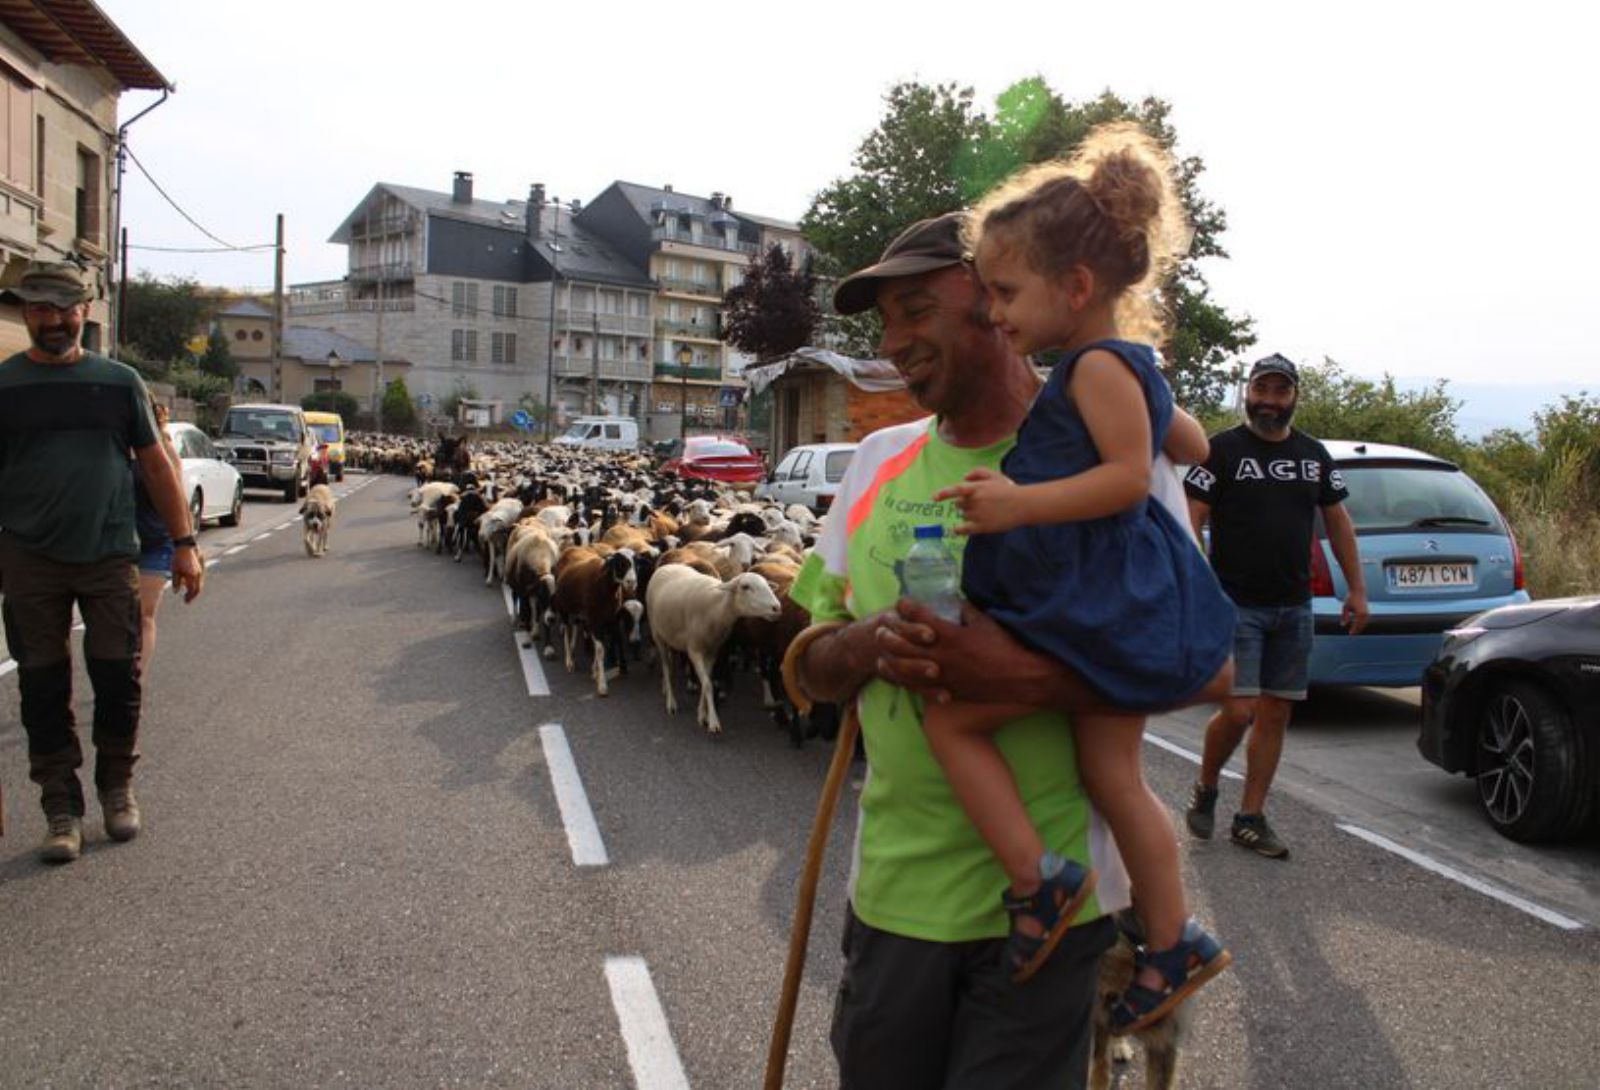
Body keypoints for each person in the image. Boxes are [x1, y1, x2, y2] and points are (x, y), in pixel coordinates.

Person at [790, 207, 1209, 1090]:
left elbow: (1207, 661)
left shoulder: (1101, 456)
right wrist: (871, 644)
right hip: (895, 902)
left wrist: (1013, 674)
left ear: (991, 298)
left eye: (916, 310)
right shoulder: (875, 463)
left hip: (1050, 934)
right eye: (884, 322)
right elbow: (805, 665)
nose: (895, 342)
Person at [900, 124, 1234, 1035]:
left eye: (1005, 292)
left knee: (955, 717)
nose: (995, 312)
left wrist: (1016, 505)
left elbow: (1127, 480)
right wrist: (1166, 417)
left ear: (1075, 287)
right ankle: (1171, 939)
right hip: (1111, 602)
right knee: (1113, 774)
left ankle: (1040, 880)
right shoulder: (1122, 366)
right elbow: (1192, 446)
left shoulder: (1092, 366)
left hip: (1096, 603)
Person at [0, 261, 204, 864]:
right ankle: (60, 807)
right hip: (28, 556)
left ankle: (117, 786)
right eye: (40, 308)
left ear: (84, 311)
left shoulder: (118, 383)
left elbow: (156, 465)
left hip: (110, 553)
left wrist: (185, 543)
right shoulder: (4, 386)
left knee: (118, 677)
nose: (53, 320)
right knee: (41, 685)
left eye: (64, 308)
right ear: (25, 313)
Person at [1182, 353, 1369, 859]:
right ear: (1248, 391)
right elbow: (1191, 517)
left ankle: (1250, 817)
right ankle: (1206, 785)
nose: (1270, 401)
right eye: (1262, 390)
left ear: (1293, 398)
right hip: (1234, 602)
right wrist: (1199, 585)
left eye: (1280, 392)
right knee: (1239, 710)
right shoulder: (1219, 450)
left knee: (1275, 714)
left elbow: (1338, 523)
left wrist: (1357, 589)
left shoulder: (1312, 455)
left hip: (1294, 606)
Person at [134, 397, 184, 671]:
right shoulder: (110, 446)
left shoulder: (164, 449)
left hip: (153, 542)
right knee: (113, 619)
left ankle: (134, 685)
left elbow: (179, 497)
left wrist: (185, 545)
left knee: (143, 615)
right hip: (111, 543)